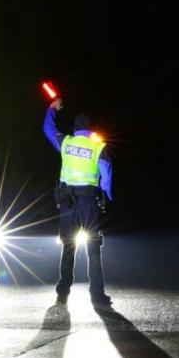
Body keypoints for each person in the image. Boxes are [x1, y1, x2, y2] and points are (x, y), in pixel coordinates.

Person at [43, 98, 113, 306]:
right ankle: (97, 294)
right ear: (90, 129)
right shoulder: (98, 146)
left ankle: (63, 289)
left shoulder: (66, 142)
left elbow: (47, 128)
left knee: (68, 246)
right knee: (93, 248)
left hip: (67, 202)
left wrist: (52, 108)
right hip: (89, 202)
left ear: (75, 129)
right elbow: (107, 173)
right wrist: (108, 195)